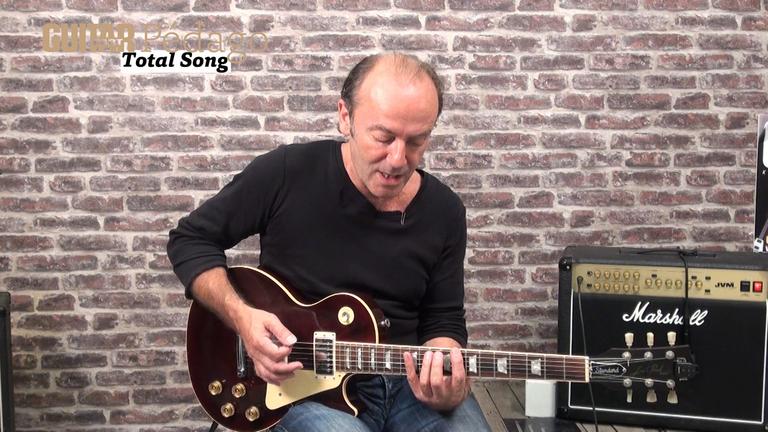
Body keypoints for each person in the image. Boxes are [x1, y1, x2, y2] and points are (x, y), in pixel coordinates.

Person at [167, 52, 492, 432]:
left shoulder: (444, 210)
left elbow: (443, 318)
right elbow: (190, 239)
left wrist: (448, 375)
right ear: (345, 116)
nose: (398, 159)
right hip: (298, 387)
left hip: (406, 382)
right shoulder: (286, 173)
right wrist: (242, 318)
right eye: (383, 137)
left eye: (416, 141)